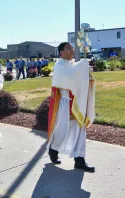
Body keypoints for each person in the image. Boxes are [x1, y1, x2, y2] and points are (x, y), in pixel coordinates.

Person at [47, 42, 96, 172]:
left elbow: (79, 78)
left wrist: (87, 71)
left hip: (78, 103)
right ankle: (53, 149)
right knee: (62, 130)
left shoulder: (73, 65)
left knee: (80, 130)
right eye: (68, 49)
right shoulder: (59, 66)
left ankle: (79, 160)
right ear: (61, 52)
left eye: (72, 48)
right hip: (65, 102)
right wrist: (83, 65)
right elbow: (69, 78)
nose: (71, 51)